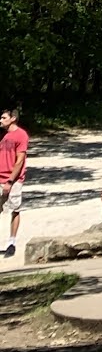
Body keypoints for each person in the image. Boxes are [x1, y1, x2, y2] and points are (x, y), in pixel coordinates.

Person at [0, 104, 28, 258]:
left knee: (14, 209)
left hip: (13, 180)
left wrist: (10, 181)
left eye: (4, 117)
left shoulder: (21, 135)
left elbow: (19, 160)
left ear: (13, 119)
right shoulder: (4, 136)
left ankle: (12, 242)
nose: (1, 120)